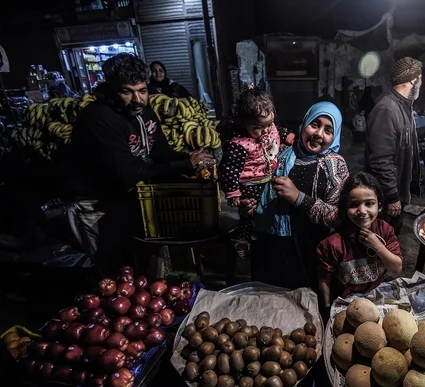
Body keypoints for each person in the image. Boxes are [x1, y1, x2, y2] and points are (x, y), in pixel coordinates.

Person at [59, 53, 209, 275]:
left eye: (142, 90)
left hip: (123, 195)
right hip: (92, 203)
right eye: (127, 92)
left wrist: (189, 158)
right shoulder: (99, 118)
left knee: (139, 262)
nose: (138, 99)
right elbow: (127, 171)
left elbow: (160, 152)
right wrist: (182, 166)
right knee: (114, 269)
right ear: (111, 90)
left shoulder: (144, 112)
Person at [244, 101, 349, 291]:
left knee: (304, 304)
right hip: (271, 245)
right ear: (304, 123)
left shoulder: (335, 166)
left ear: (335, 136)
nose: (318, 134)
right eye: (315, 125)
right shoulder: (280, 153)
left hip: (308, 249)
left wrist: (298, 197)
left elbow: (338, 217)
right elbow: (261, 187)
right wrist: (251, 203)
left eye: (328, 130)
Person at [219, 86, 294, 257]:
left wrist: (289, 137)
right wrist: (233, 192)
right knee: (249, 212)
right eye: (258, 127)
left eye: (269, 124)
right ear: (242, 123)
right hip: (249, 183)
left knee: (267, 208)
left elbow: (279, 130)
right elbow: (230, 168)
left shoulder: (268, 127)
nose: (266, 130)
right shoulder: (239, 144)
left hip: (267, 176)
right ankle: (243, 240)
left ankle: (263, 235)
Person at [317, 172, 402, 310]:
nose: (362, 211)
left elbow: (396, 268)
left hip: (376, 294)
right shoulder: (332, 244)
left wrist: (378, 246)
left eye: (369, 203)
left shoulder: (385, 230)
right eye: (354, 204)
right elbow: (324, 280)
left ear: (379, 206)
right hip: (347, 302)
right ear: (345, 208)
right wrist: (327, 308)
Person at [365, 57, 423, 235]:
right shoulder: (387, 109)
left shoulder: (404, 106)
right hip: (385, 194)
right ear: (412, 80)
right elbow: (381, 160)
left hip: (398, 189)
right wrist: (392, 196)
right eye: (420, 78)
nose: (421, 83)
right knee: (384, 237)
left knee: (391, 235)